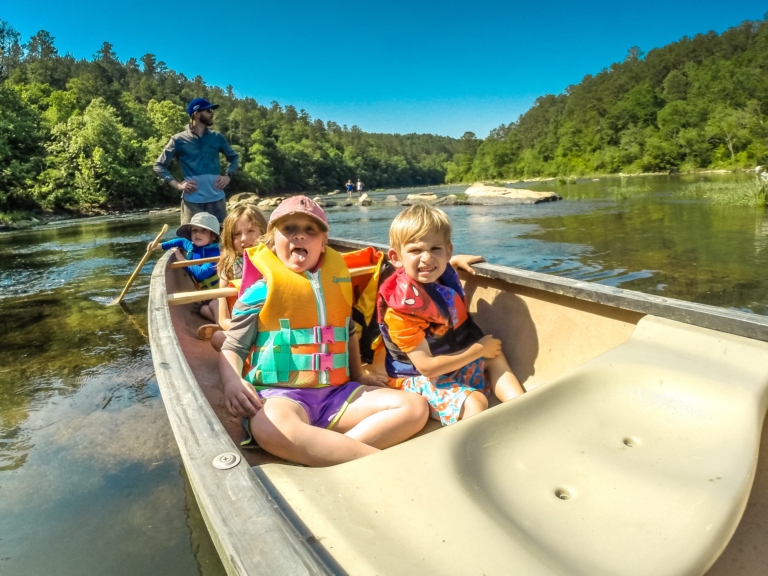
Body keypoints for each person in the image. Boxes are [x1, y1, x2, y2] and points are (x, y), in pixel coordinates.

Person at [219, 196, 428, 466]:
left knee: (414, 407)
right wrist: (232, 382)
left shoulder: (337, 283)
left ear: (323, 241)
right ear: (272, 240)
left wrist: (360, 374)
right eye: (290, 229)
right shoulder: (259, 291)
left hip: (337, 395)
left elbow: (347, 331)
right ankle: (378, 463)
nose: (300, 236)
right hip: (282, 397)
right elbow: (233, 347)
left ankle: (324, 451)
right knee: (268, 426)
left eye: (310, 230)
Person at [377, 204, 525, 426]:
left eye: (435, 249)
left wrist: (453, 262)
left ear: (448, 251)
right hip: (414, 380)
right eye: (416, 251)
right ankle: (473, 446)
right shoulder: (400, 311)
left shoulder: (440, 271)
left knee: (494, 357)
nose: (427, 258)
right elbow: (426, 367)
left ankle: (525, 409)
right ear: (396, 257)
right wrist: (478, 349)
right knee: (476, 401)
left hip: (448, 365)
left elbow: (439, 269)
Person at [153, 98, 239, 225]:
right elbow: (159, 165)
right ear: (197, 113)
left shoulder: (217, 137)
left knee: (222, 240)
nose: (212, 113)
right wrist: (177, 185)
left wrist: (228, 176)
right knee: (190, 240)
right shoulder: (178, 140)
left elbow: (234, 157)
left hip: (217, 201)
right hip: (192, 202)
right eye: (209, 110)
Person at [201, 204, 269, 344]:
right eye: (237, 234)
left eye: (251, 230)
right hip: (244, 327)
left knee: (213, 306)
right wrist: (248, 330)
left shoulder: (277, 260)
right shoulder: (229, 270)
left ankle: (208, 310)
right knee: (218, 339)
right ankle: (207, 310)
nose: (244, 238)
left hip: (271, 326)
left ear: (263, 231)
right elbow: (224, 320)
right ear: (230, 239)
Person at [148, 212, 220, 292]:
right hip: (203, 292)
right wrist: (160, 245)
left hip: (216, 293)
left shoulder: (215, 253)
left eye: (204, 230)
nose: (197, 234)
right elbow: (181, 241)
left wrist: (183, 261)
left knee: (212, 304)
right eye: (194, 230)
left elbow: (201, 274)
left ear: (213, 236)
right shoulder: (191, 246)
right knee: (206, 305)